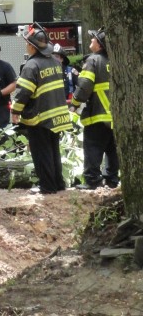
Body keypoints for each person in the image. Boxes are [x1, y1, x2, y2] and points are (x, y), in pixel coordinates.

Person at [10, 25, 71, 194]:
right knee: (53, 151)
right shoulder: (55, 62)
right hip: (57, 116)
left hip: (40, 118)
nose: (26, 46)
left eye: (27, 43)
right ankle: (58, 183)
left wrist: (15, 111)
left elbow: (23, 94)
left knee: (41, 153)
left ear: (32, 46)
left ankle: (47, 187)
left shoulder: (31, 66)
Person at [70, 29, 119, 190]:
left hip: (97, 114)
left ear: (99, 44)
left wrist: (75, 103)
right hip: (115, 116)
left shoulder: (93, 60)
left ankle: (92, 180)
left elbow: (84, 86)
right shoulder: (116, 61)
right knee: (112, 148)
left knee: (92, 147)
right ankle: (111, 180)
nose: (91, 40)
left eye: (94, 39)